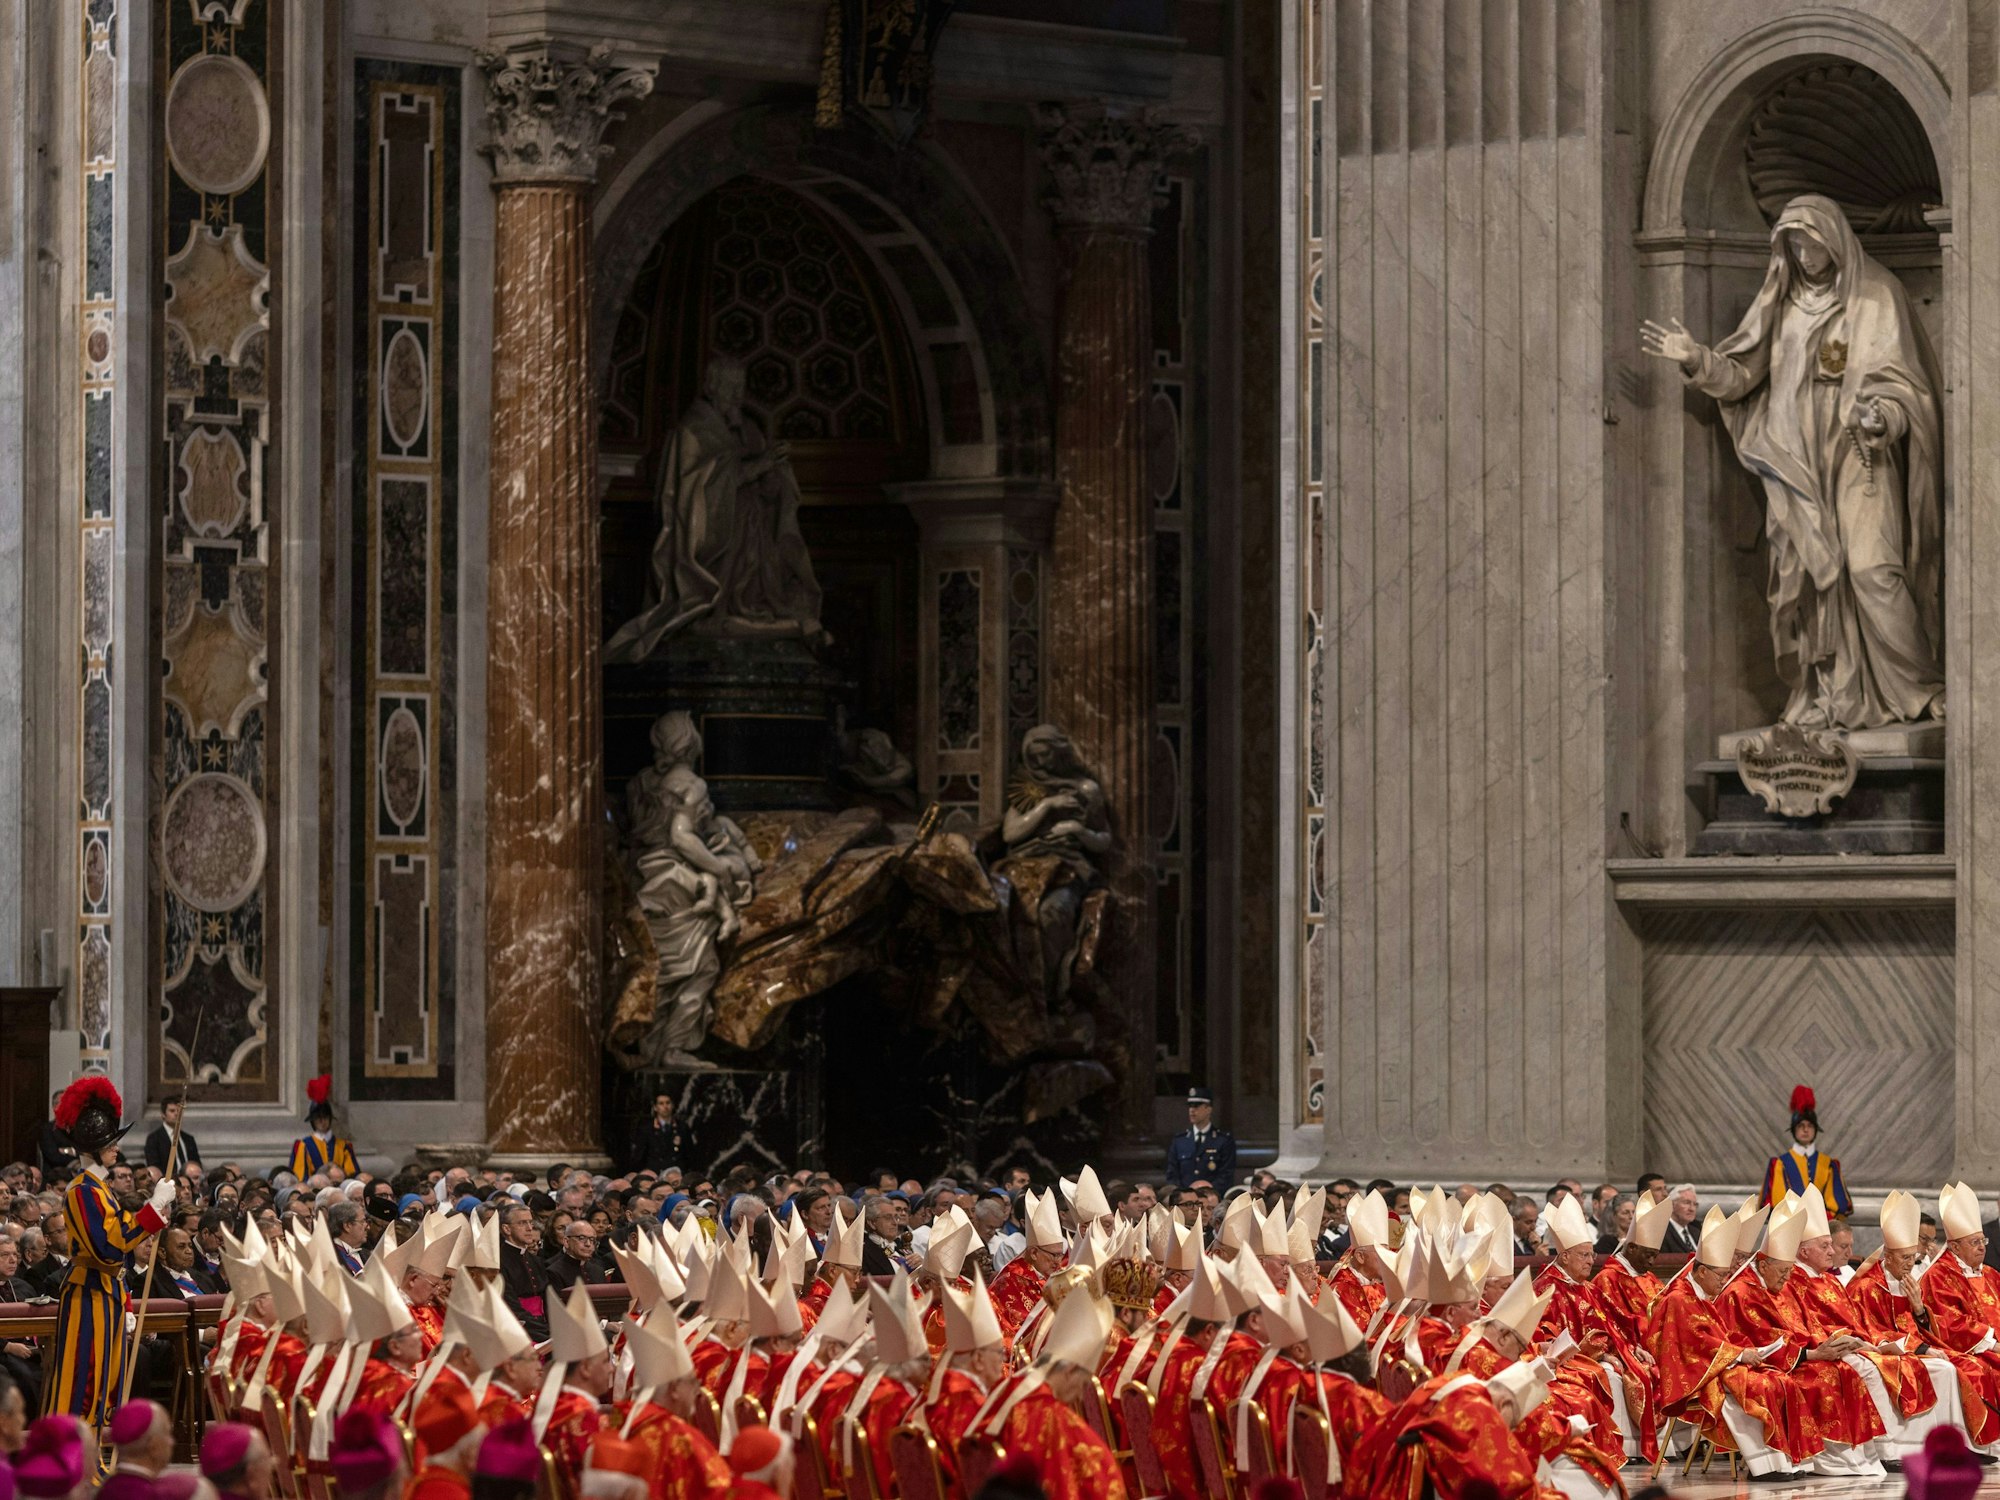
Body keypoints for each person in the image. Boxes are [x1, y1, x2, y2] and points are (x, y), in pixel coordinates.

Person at [1640, 193, 1945, 730]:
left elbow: (1907, 389)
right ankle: (1822, 696)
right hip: (1793, 466)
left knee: (1874, 570)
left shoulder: (1877, 296)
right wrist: (1695, 359)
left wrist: (1883, 419)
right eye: (1794, 244)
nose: (1804, 253)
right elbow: (1741, 376)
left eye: (1812, 241)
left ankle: (1918, 689)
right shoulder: (1779, 303)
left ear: (1837, 239)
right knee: (1799, 585)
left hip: (1857, 457)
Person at [42, 1077, 173, 1427]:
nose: (116, 1147)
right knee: (85, 1378)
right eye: (110, 1142)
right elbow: (108, 1247)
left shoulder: (98, 1188)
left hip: (106, 1292)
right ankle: (73, 1456)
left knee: (105, 1379)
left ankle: (91, 1455)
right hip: (89, 1293)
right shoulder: (83, 1190)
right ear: (94, 1149)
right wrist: (153, 1209)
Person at [1760, 1086, 1854, 1217]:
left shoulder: (1828, 1165)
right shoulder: (1780, 1164)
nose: (1805, 1130)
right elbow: (1777, 1204)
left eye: (1810, 1126)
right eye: (1801, 1126)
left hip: (1823, 1228)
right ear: (1794, 1130)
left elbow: (1837, 1206)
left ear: (1815, 1130)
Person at [1163, 1087, 1236, 1191]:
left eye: (1196, 1106)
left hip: (1212, 1199)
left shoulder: (1223, 1141)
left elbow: (1226, 1175)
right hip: (1184, 1200)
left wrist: (1208, 1193)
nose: (1192, 1110)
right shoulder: (1179, 1141)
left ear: (1208, 1109)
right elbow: (1172, 1174)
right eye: (1190, 1106)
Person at [287, 1077, 358, 1179]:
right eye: (318, 1118)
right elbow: (300, 1177)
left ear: (330, 1119)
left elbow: (352, 1176)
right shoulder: (304, 1146)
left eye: (325, 1117)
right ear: (312, 1121)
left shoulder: (343, 1146)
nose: (322, 1121)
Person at [100, 1400, 173, 1500]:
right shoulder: (154, 1495)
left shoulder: (102, 1490)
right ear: (153, 1446)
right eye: (168, 1434)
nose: (172, 1442)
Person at [631, 1093, 687, 1176]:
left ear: (672, 1105)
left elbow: (688, 1154)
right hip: (654, 1174)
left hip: (676, 1174)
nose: (665, 1106)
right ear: (655, 1107)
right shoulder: (646, 1129)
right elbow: (640, 1155)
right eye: (661, 1103)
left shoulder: (682, 1127)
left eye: (668, 1103)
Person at [141, 1101, 199, 1177]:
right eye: (172, 1111)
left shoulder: (189, 1138)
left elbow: (196, 1163)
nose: (176, 1114)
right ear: (163, 1114)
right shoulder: (154, 1138)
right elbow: (154, 1166)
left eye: (179, 1111)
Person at [35, 1097, 76, 1186]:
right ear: (55, 1107)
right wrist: (72, 1152)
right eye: (63, 1103)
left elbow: (83, 1153)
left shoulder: (76, 1129)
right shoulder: (47, 1129)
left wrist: (66, 1151)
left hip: (75, 1176)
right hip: (54, 1178)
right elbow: (54, 1156)